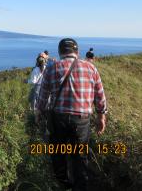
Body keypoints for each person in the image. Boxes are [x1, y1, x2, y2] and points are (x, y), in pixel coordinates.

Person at [36, 38, 107, 191]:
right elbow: (100, 95)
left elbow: (42, 95)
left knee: (58, 153)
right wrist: (101, 116)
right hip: (82, 120)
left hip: (58, 119)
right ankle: (80, 186)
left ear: (61, 52)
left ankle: (64, 184)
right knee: (80, 156)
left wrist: (39, 112)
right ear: (77, 52)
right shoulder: (91, 68)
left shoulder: (52, 68)